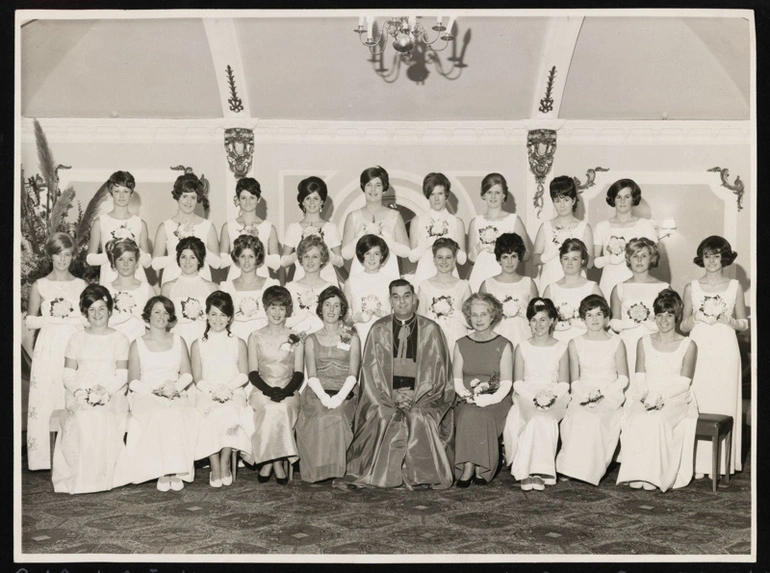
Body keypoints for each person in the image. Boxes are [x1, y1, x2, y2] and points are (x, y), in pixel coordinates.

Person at [343, 279, 455, 489]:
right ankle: (383, 476)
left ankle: (421, 476)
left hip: (422, 396)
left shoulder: (431, 329)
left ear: (415, 299)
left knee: (418, 416)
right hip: (385, 396)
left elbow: (439, 375)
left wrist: (415, 396)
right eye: (396, 296)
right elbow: (370, 373)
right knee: (385, 416)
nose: (402, 301)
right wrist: (392, 396)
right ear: (390, 300)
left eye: (406, 296)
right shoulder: (379, 329)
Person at [113, 295, 200, 492]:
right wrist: (155, 391)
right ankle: (162, 471)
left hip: (174, 391)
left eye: (166, 312)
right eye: (157, 312)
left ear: (170, 318)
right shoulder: (137, 343)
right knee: (159, 414)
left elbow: (187, 374)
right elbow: (133, 381)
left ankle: (176, 470)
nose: (161, 316)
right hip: (146, 394)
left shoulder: (179, 341)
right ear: (148, 316)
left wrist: (174, 389)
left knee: (177, 413)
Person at [616, 289, 698, 492]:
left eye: (669, 315)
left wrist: (661, 396)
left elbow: (684, 382)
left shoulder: (689, 344)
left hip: (675, 397)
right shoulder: (643, 341)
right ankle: (636, 472)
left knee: (657, 420)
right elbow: (640, 376)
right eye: (660, 315)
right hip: (645, 394)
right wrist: (646, 395)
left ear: (677, 317)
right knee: (635, 417)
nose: (664, 320)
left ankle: (654, 475)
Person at [51, 285, 130, 494]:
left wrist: (104, 393)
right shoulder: (76, 338)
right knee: (83, 416)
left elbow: (122, 375)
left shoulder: (120, 339)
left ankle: (101, 479)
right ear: (85, 312)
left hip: (111, 393)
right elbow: (68, 373)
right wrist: (79, 393)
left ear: (110, 310)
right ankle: (82, 479)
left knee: (100, 416)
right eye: (92, 309)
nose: (97, 314)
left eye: (102, 308)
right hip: (80, 392)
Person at [681, 236, 748, 478]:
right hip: (699, 348)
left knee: (723, 401)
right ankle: (697, 465)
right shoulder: (691, 287)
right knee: (700, 401)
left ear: (724, 258)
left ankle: (721, 465)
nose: (711, 260)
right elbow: (683, 326)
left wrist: (728, 320)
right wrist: (696, 317)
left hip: (725, 349)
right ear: (702, 258)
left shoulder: (734, 287)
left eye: (716, 255)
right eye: (707, 255)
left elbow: (744, 324)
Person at [24, 232, 87, 470]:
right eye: (58, 254)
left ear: (73, 257)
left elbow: (87, 318)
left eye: (67, 255)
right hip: (49, 345)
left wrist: (71, 318)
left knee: (71, 394)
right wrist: (53, 318)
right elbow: (30, 321)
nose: (62, 260)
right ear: (50, 256)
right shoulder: (40, 285)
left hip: (73, 343)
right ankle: (43, 458)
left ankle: (73, 453)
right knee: (47, 396)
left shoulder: (80, 285)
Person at [556, 294, 629, 485]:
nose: (594, 319)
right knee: (578, 416)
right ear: (583, 318)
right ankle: (571, 468)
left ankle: (590, 470)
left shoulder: (616, 342)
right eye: (589, 315)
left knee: (596, 420)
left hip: (610, 394)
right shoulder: (575, 343)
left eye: (598, 314)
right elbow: (575, 380)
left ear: (605, 317)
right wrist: (586, 395)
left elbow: (623, 378)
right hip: (583, 393)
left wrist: (602, 394)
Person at [503, 298, 570, 491]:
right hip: (526, 394)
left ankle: (540, 471)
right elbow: (518, 382)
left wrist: (549, 396)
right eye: (533, 320)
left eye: (543, 319)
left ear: (552, 321)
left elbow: (564, 383)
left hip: (555, 396)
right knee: (533, 418)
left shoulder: (561, 347)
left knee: (544, 419)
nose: (538, 325)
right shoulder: (522, 346)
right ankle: (527, 471)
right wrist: (535, 397)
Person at [297, 286, 361, 483]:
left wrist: (339, 397)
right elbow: (312, 375)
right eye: (327, 305)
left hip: (345, 390)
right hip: (317, 391)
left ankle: (336, 470)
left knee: (338, 414)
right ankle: (318, 470)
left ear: (342, 310)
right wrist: (324, 397)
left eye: (336, 305)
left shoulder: (352, 337)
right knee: (319, 414)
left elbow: (353, 374)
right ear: (320, 308)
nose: (332, 310)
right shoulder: (311, 339)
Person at [190, 291, 253, 488]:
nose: (218, 319)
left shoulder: (238, 342)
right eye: (214, 314)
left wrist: (228, 389)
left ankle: (225, 460)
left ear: (230, 318)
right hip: (206, 392)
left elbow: (244, 374)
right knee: (209, 416)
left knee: (228, 413)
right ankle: (214, 465)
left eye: (223, 315)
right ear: (206, 315)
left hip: (233, 391)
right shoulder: (197, 344)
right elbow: (197, 377)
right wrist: (214, 391)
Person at [245, 286, 305, 485]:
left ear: (287, 309)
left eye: (282, 308)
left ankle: (270, 461)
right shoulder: (255, 336)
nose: (277, 313)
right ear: (265, 308)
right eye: (273, 307)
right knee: (271, 408)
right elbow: (252, 372)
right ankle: (277, 461)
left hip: (289, 389)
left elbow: (298, 372)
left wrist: (286, 391)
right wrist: (269, 390)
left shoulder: (296, 337)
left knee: (281, 408)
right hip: (262, 389)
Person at [453, 293, 513, 487]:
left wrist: (489, 399)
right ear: (468, 317)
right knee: (469, 412)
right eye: (474, 315)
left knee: (482, 415)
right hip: (466, 398)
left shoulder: (504, 344)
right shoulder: (461, 344)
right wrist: (467, 396)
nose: (478, 319)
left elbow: (506, 383)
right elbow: (456, 379)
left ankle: (479, 465)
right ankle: (469, 465)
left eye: (483, 314)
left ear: (492, 316)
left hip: (496, 399)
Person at [609, 237, 669, 374]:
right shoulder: (619, 288)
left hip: (654, 341)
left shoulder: (663, 287)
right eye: (635, 256)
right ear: (628, 259)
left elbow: (669, 322)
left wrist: (649, 323)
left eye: (644, 256)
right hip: (628, 342)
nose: (639, 260)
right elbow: (615, 323)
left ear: (651, 259)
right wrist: (631, 322)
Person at [341, 166, 410, 280]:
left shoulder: (395, 216)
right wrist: (361, 236)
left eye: (378, 185)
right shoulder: (353, 217)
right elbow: (346, 254)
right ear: (363, 187)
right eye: (369, 185)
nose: (373, 190)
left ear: (384, 188)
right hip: (360, 274)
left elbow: (406, 252)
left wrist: (384, 238)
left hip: (388, 273)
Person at [593, 179, 659, 299]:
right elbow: (593, 262)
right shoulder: (601, 226)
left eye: (627, 196)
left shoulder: (645, 225)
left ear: (633, 199)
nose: (622, 201)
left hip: (637, 282)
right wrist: (610, 259)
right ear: (613, 199)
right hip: (609, 283)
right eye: (618, 197)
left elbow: (653, 258)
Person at [151, 172, 220, 285]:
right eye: (184, 196)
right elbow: (155, 264)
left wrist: (198, 250)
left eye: (193, 197)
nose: (189, 202)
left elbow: (217, 263)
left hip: (201, 281)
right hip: (172, 280)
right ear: (177, 197)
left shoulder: (207, 226)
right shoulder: (165, 226)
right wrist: (178, 255)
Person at [467, 173, 531, 292]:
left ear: (503, 195)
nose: (493, 196)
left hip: (505, 274)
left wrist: (506, 250)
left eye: (497, 192)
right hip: (480, 275)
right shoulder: (475, 222)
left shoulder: (514, 220)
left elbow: (527, 254)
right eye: (489, 192)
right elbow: (470, 260)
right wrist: (476, 249)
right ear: (483, 194)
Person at [86, 170, 152, 285]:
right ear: (111, 193)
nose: (121, 196)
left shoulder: (140, 223)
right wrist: (115, 251)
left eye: (125, 191)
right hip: (109, 278)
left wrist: (131, 248)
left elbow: (147, 262)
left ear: (131, 194)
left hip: (135, 278)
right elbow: (90, 259)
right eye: (117, 191)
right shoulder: (100, 222)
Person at [532, 176, 594, 292]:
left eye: (566, 200)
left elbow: (590, 263)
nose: (562, 205)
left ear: (574, 200)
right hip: (549, 280)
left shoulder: (584, 228)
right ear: (553, 202)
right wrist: (551, 254)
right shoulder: (545, 227)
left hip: (577, 282)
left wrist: (576, 252)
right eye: (557, 200)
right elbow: (535, 260)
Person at [280, 176, 343, 286]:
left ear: (322, 201)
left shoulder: (331, 228)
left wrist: (328, 254)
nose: (312, 202)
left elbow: (340, 262)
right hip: (301, 280)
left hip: (327, 280)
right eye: (308, 198)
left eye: (316, 198)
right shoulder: (293, 228)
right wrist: (298, 254)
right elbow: (283, 262)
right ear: (302, 202)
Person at [408, 172, 467, 286]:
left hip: (450, 276)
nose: (436, 199)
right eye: (432, 194)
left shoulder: (456, 222)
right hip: (424, 275)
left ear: (446, 195)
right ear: (427, 196)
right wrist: (427, 243)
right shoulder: (417, 221)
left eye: (440, 193)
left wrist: (449, 244)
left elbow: (462, 260)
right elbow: (412, 258)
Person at [479, 232, 538, 349]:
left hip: (523, 337)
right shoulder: (487, 284)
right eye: (505, 257)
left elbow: (535, 317)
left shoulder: (528, 283)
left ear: (519, 258)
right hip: (496, 339)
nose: (509, 262)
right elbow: (482, 318)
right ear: (499, 259)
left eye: (514, 256)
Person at [161, 236, 218, 349]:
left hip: (205, 341)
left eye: (192, 257)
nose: (187, 262)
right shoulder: (168, 287)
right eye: (183, 257)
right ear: (178, 259)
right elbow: (163, 322)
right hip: (178, 340)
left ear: (199, 260)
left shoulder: (212, 287)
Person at [220, 234, 279, 342]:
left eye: (251, 256)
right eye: (242, 256)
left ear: (258, 258)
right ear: (237, 258)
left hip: (264, 339)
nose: (246, 261)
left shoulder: (270, 285)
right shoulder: (226, 287)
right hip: (235, 339)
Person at [219, 177, 281, 280]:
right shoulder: (228, 227)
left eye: (252, 197)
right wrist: (241, 246)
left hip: (261, 278)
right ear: (238, 199)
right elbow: (221, 263)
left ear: (258, 199)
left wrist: (258, 244)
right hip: (235, 279)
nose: (248, 201)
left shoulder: (269, 228)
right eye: (243, 198)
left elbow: (276, 264)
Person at [542, 238, 602, 343]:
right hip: (558, 342)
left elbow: (604, 320)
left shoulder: (592, 288)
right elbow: (543, 321)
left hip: (585, 343)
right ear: (560, 260)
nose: (569, 263)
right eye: (566, 258)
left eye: (574, 259)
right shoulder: (551, 289)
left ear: (582, 261)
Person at [416, 238, 472, 348]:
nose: (444, 262)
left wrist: (452, 312)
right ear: (434, 260)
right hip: (433, 340)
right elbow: (420, 322)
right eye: (440, 258)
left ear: (454, 260)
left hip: (458, 339)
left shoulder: (464, 286)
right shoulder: (424, 286)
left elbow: (470, 322)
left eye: (448, 257)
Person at [105, 238, 159, 342]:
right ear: (114, 262)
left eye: (130, 259)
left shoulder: (147, 290)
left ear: (136, 263)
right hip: (113, 343)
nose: (126, 264)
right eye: (121, 259)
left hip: (139, 342)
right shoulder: (106, 290)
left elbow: (155, 324)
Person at [343, 234, 392, 346]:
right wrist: (357, 318)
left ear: (382, 256)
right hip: (359, 337)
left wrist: (384, 315)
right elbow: (345, 317)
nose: (372, 258)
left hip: (384, 337)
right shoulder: (350, 282)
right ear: (362, 256)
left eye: (376, 254)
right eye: (367, 253)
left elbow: (398, 315)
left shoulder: (390, 283)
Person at [285, 235, 335, 337]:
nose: (310, 261)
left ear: (322, 259)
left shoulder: (330, 288)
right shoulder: (290, 288)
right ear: (301, 259)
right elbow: (283, 320)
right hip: (297, 342)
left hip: (323, 341)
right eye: (306, 256)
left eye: (315, 257)